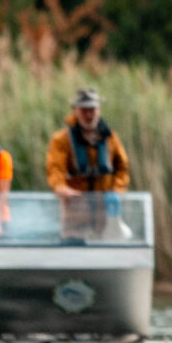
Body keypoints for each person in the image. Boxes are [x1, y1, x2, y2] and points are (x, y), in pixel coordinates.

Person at [46, 86, 131, 238]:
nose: (88, 114)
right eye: (84, 110)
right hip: (76, 208)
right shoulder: (61, 139)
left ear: (99, 110)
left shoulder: (110, 137)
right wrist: (61, 188)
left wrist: (117, 190)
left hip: (105, 209)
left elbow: (122, 167)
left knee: (107, 253)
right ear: (75, 110)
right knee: (74, 254)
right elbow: (55, 169)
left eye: (92, 109)